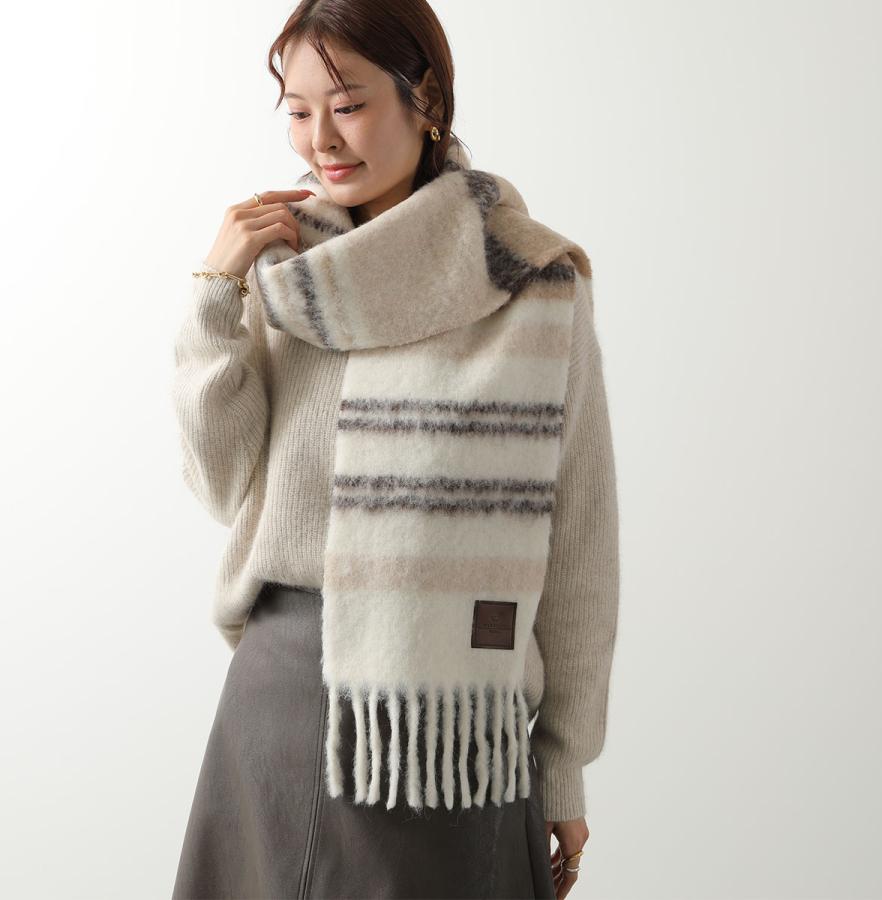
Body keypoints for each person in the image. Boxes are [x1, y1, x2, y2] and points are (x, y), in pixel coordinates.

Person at [170, 1, 619, 898]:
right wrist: (215, 294)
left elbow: (577, 545)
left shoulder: (532, 283)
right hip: (286, 708)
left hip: (459, 737)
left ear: (428, 101)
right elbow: (221, 486)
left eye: (348, 105)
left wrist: (564, 764)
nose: (320, 141)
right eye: (299, 111)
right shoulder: (282, 272)